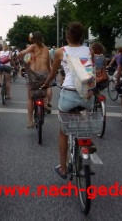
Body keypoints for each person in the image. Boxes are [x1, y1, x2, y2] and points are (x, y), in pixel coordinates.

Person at [42, 22, 93, 179]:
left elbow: (53, 72)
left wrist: (46, 84)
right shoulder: (88, 50)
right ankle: (86, 146)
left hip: (69, 94)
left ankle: (63, 169)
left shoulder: (60, 51)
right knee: (84, 124)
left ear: (67, 36)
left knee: (63, 131)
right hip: (86, 94)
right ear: (81, 36)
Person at [17, 31, 51, 127]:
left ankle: (30, 121)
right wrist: (51, 75)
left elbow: (22, 53)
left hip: (33, 75)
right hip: (44, 74)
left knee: (30, 98)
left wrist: (20, 58)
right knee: (43, 90)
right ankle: (45, 105)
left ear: (33, 39)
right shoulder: (46, 49)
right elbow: (48, 65)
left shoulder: (33, 46)